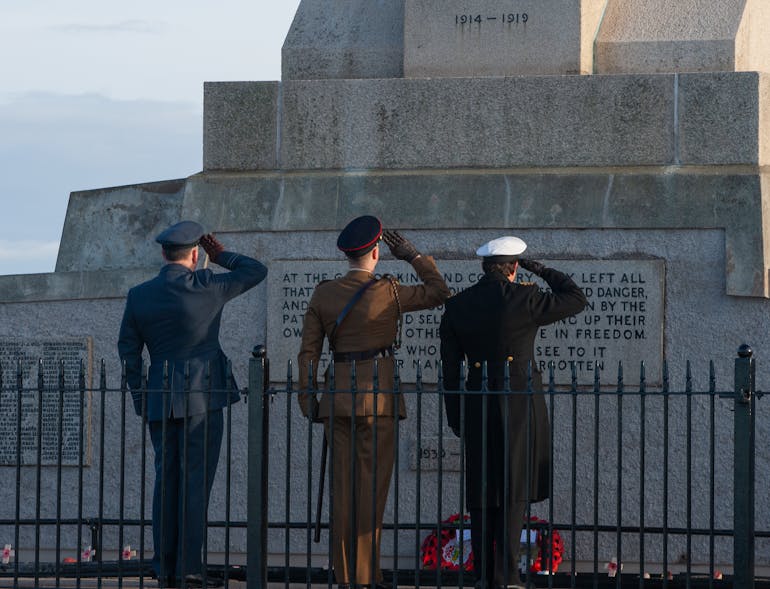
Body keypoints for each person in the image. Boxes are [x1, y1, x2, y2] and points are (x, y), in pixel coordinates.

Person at [297, 215, 450, 589]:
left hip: (337, 402)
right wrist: (413, 255)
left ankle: (350, 575)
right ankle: (366, 577)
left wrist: (309, 400)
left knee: (344, 491)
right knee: (372, 491)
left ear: (348, 256)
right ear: (377, 253)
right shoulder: (389, 292)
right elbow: (439, 291)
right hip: (378, 401)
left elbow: (308, 354)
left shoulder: (323, 293)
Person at [118, 221, 267, 588]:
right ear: (195, 254)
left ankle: (164, 567)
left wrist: (142, 397)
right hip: (203, 395)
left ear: (163, 253)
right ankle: (188, 568)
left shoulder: (139, 295)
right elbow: (256, 271)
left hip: (160, 399)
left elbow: (128, 352)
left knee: (165, 483)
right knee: (195, 484)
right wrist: (222, 256)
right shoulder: (208, 285)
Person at [440, 236, 587, 589]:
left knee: (481, 489)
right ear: (514, 267)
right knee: (513, 487)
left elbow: (449, 369)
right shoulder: (525, 297)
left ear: (484, 267)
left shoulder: (458, 305)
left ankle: (483, 575)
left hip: (477, 400)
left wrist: (456, 416)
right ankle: (506, 575)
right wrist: (543, 269)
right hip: (520, 402)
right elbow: (576, 298)